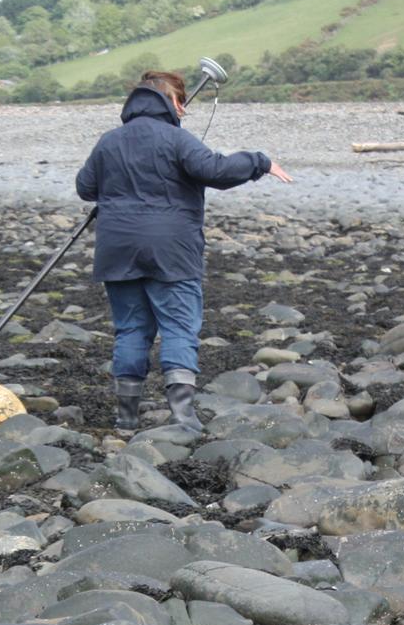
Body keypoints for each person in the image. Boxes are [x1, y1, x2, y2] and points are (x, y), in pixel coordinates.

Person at [76, 69, 292, 433]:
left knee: (130, 330)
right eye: (183, 103)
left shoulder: (108, 141)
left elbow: (85, 187)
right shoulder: (177, 139)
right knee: (178, 327)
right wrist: (260, 161)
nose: (185, 111)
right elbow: (215, 170)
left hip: (117, 250)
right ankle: (183, 417)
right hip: (172, 250)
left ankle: (126, 419)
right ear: (172, 101)